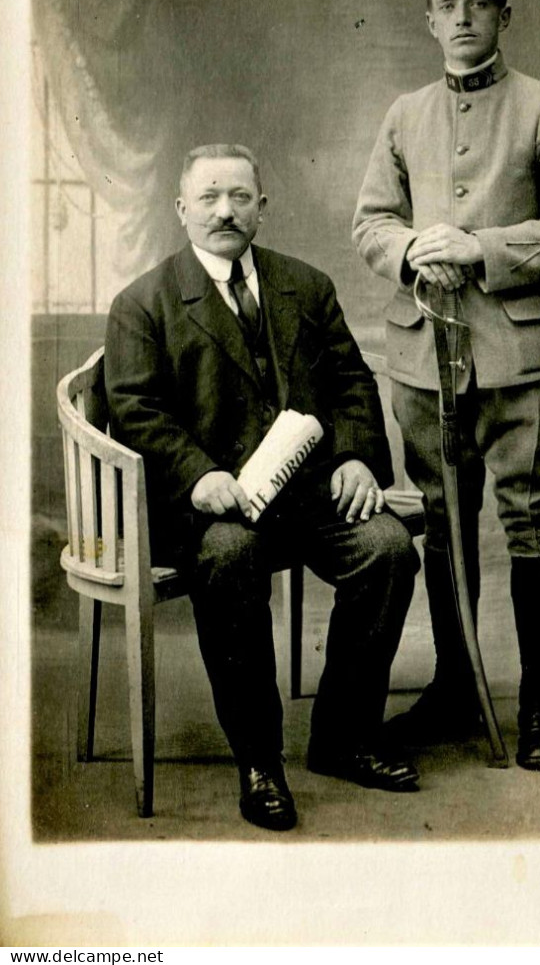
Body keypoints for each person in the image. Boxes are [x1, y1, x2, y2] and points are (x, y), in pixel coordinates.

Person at [104, 143, 420, 832]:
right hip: (212, 509)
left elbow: (350, 383)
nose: (225, 210)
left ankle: (344, 736)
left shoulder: (304, 286)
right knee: (230, 557)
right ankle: (259, 761)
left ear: (262, 208)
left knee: (389, 548)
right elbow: (136, 411)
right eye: (210, 197)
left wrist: (358, 458)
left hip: (306, 495)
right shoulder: (143, 303)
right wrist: (198, 475)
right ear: (181, 209)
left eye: (240, 197)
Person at [352, 0, 540, 771]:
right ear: (428, 20)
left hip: (526, 360)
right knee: (443, 530)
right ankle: (457, 687)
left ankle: (537, 706)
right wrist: (414, 244)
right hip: (426, 360)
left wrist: (480, 245)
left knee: (530, 521)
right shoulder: (403, 114)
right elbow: (371, 222)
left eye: (478, 3)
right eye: (446, 6)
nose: (461, 19)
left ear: (504, 13)